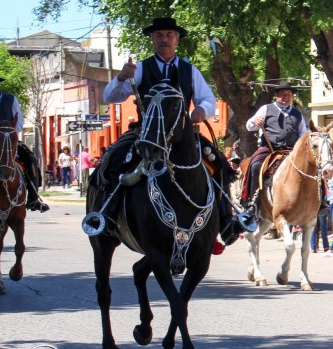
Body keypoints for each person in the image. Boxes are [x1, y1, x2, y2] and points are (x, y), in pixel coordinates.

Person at [98, 17, 246, 246]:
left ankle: (226, 222)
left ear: (176, 39)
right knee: (114, 159)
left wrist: (200, 111)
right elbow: (110, 97)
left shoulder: (189, 70)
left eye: (168, 35)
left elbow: (208, 100)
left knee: (218, 164)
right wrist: (120, 77)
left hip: (182, 134)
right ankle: (107, 216)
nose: (164, 39)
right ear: (152, 40)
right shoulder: (139, 69)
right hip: (146, 132)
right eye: (159, 35)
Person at [0, 71, 48, 212]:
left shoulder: (11, 100)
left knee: (31, 160)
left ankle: (33, 198)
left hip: (8, 143)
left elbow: (19, 123)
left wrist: (9, 133)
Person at [244, 80, 308, 214]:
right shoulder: (266, 108)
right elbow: (249, 126)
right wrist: (255, 122)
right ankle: (252, 201)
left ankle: (319, 201)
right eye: (283, 94)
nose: (286, 96)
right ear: (277, 95)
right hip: (269, 149)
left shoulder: (297, 114)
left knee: (311, 167)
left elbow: (302, 134)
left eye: (289, 94)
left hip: (291, 151)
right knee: (255, 164)